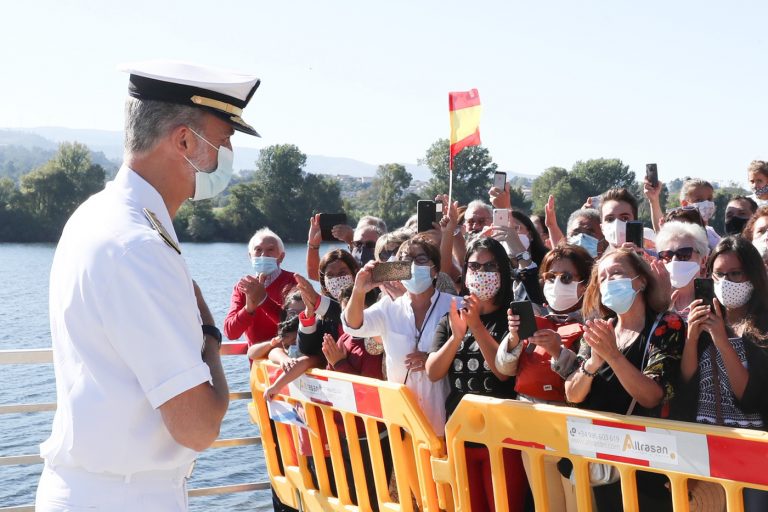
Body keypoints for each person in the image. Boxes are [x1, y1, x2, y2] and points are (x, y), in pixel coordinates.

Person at [36, 60, 260, 511]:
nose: (225, 158)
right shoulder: (138, 246)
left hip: (99, 489)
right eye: (221, 142)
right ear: (183, 140)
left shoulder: (98, 216)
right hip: (125, 497)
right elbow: (196, 426)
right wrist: (211, 340)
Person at [565, 248, 684, 512]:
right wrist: (594, 362)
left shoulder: (665, 325)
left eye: (617, 273)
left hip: (648, 466)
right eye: (603, 278)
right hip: (601, 462)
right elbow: (572, 393)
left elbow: (652, 395)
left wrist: (613, 356)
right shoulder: (601, 328)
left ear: (641, 281)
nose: (610, 282)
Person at [425, 237, 526, 511]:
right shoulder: (451, 318)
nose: (481, 274)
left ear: (502, 272)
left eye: (489, 266)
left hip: (502, 439)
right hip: (460, 436)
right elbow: (433, 371)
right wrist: (457, 336)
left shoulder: (512, 318)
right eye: (474, 266)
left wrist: (477, 327)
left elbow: (504, 372)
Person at [672, 236, 768, 510]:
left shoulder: (763, 328)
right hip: (704, 447)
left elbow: (750, 397)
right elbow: (687, 384)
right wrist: (692, 337)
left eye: (736, 273)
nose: (727, 281)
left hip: (751, 449)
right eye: (719, 274)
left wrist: (722, 340)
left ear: (753, 274)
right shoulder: (705, 318)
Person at [495, 245, 593, 512]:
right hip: (532, 428)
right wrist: (514, 339)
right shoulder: (534, 318)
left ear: (584, 285)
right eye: (550, 277)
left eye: (567, 278)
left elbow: (588, 376)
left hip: (573, 432)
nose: (556, 283)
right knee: (545, 505)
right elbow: (504, 367)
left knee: (577, 505)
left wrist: (557, 351)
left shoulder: (594, 323)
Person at [342, 235, 454, 434]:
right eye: (405, 260)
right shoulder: (388, 307)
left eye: (420, 260)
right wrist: (359, 290)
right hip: (402, 424)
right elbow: (353, 325)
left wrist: (432, 360)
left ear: (435, 270)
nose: (411, 266)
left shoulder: (454, 305)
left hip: (445, 420)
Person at [223, 228, 296, 356]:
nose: (263, 255)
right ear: (250, 256)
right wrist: (248, 309)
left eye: (270, 250)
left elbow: (297, 325)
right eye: (258, 250)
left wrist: (263, 299)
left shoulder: (294, 282)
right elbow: (231, 333)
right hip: (258, 369)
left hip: (291, 364)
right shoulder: (243, 287)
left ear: (281, 257)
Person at [655, 221, 710, 321]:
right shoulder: (654, 305)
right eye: (667, 256)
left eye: (684, 254)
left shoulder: (713, 303)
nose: (675, 260)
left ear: (703, 260)